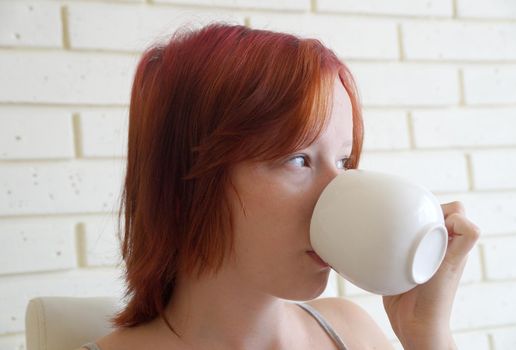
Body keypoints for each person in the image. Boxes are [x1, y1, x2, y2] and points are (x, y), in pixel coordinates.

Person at [78, 23, 480, 350]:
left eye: (344, 161)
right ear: (189, 179)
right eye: (298, 158)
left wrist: (427, 335)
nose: (336, 191)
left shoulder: (351, 332)